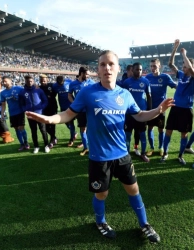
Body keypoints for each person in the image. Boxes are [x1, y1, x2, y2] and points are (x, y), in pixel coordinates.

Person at [26, 50, 174, 243]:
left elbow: (139, 115)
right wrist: (49, 119)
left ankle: (144, 224)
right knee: (102, 193)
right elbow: (68, 114)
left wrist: (158, 110)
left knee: (134, 190)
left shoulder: (125, 94)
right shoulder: (88, 92)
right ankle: (100, 221)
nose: (107, 68)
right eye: (103, 64)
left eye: (111, 64)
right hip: (99, 158)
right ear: (98, 69)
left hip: (122, 155)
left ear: (118, 68)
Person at [161, 39, 194, 165]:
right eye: (183, 67)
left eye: (186, 66)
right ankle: (165, 153)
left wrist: (184, 55)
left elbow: (191, 70)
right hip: (175, 108)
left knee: (184, 135)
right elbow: (170, 64)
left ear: (191, 66)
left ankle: (180, 155)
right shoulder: (181, 75)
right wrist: (175, 49)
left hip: (186, 110)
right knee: (168, 131)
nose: (184, 68)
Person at [145, 59, 177, 157]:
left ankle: (161, 147)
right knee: (150, 128)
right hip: (150, 108)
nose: (152, 68)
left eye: (154, 66)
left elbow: (176, 86)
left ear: (159, 66)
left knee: (160, 129)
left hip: (161, 108)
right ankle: (151, 147)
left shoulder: (165, 77)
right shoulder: (147, 77)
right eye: (151, 66)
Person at [123, 62, 151, 162]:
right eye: (137, 69)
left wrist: (149, 111)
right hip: (129, 114)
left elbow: (149, 96)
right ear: (132, 70)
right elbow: (123, 97)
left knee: (142, 135)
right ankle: (126, 155)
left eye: (140, 70)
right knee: (127, 136)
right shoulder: (126, 82)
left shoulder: (146, 82)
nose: (139, 71)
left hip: (141, 113)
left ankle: (143, 153)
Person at [68, 67, 95, 156]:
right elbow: (69, 95)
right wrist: (75, 104)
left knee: (91, 129)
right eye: (86, 74)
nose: (88, 76)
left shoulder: (91, 83)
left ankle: (93, 147)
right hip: (80, 111)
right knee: (83, 129)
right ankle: (85, 148)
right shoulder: (73, 84)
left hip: (91, 110)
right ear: (81, 73)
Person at [19, 75, 49, 154]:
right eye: (28, 81)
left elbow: (45, 101)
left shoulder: (39, 90)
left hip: (40, 114)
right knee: (33, 131)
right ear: (25, 81)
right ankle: (36, 146)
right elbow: (21, 104)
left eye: (31, 81)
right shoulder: (22, 92)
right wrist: (25, 110)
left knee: (43, 130)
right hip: (31, 115)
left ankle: (46, 145)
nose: (29, 83)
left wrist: (41, 108)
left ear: (33, 81)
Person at [0, 76, 29, 151]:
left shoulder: (19, 89)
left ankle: (26, 143)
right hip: (12, 113)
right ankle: (21, 144)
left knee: (21, 128)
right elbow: (3, 104)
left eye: (5, 81)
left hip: (20, 111)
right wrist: (2, 114)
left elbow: (26, 97)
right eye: (3, 82)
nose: (4, 83)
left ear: (10, 81)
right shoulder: (2, 93)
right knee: (16, 129)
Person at [120, 65, 141, 156]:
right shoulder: (124, 82)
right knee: (127, 133)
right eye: (131, 71)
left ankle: (136, 148)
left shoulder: (140, 80)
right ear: (129, 71)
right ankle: (126, 151)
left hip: (138, 112)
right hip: (127, 113)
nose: (133, 73)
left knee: (137, 133)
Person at [53, 75, 77, 146]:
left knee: (71, 122)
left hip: (71, 106)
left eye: (62, 82)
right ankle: (74, 133)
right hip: (62, 107)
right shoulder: (55, 86)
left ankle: (71, 140)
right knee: (66, 122)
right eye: (59, 83)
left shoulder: (69, 82)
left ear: (64, 80)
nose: (61, 84)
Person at [39, 74, 58, 148]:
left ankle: (51, 141)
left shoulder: (52, 85)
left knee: (52, 125)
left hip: (53, 108)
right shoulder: (39, 88)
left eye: (44, 80)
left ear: (47, 80)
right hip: (44, 109)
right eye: (41, 80)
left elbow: (55, 93)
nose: (43, 82)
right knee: (45, 126)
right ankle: (54, 137)